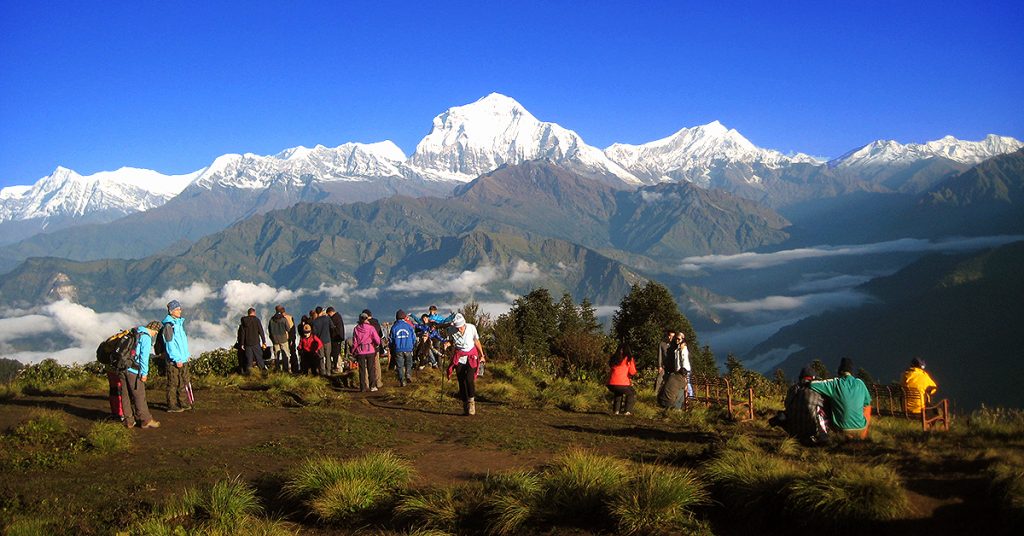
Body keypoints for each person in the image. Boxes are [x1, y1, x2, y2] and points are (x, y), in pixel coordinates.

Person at [809, 358, 872, 439]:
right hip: (861, 429)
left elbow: (812, 385)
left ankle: (826, 434)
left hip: (842, 430)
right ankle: (863, 435)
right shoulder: (860, 383)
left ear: (840, 371)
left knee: (826, 400)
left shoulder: (835, 383)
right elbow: (867, 404)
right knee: (867, 406)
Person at [771, 365, 830, 446]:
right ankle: (823, 437)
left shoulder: (792, 389)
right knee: (822, 411)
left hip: (793, 431)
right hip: (812, 430)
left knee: (783, 414)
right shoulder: (817, 391)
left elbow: (787, 406)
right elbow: (825, 406)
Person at [121, 321, 162, 429]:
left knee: (125, 395)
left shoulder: (135, 332)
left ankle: (129, 421)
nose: (155, 334)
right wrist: (144, 373)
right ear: (154, 330)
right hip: (134, 370)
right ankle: (145, 420)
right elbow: (144, 358)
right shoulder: (146, 338)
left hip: (123, 367)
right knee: (139, 395)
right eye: (156, 332)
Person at [445, 313, 486, 416]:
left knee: (469, 379)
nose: (459, 329)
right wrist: (447, 344)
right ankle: (465, 404)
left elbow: (476, 341)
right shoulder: (451, 330)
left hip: (471, 355)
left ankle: (471, 403)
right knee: (461, 380)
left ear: (464, 324)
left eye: (461, 327)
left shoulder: (471, 328)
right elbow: (451, 341)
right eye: (457, 327)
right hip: (459, 356)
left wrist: (482, 354)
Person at [162, 300, 192, 413]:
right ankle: (172, 404)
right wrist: (176, 358)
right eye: (178, 309)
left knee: (182, 381)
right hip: (174, 360)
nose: (180, 311)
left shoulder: (178, 324)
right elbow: (170, 344)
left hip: (182, 358)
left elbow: (182, 343)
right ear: (172, 311)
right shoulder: (169, 326)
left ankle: (182, 402)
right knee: (173, 382)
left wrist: (186, 356)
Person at [352, 312, 382, 392]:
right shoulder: (371, 328)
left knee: (362, 370)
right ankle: (372, 386)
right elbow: (377, 339)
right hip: (370, 350)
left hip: (360, 351)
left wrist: (353, 351)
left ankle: (363, 387)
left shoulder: (356, 328)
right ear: (366, 318)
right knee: (371, 369)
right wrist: (377, 344)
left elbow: (355, 342)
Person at [607, 343, 638, 415]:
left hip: (611, 383)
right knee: (631, 393)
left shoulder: (614, 358)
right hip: (622, 383)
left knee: (618, 393)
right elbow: (632, 372)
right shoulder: (628, 359)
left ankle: (616, 411)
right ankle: (627, 411)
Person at [237, 308, 268, 375]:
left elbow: (242, 333)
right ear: (254, 313)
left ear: (248, 313)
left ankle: (249, 375)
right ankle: (264, 374)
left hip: (247, 344)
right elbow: (261, 331)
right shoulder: (256, 320)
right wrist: (264, 341)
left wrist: (242, 343)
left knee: (249, 360)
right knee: (259, 358)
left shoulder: (243, 322)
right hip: (256, 342)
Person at [389, 310, 417, 386]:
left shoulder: (394, 327)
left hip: (398, 349)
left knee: (400, 366)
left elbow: (391, 339)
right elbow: (414, 338)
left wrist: (392, 348)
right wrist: (412, 346)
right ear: (404, 317)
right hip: (408, 348)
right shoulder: (409, 326)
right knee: (409, 363)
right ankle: (408, 374)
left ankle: (402, 381)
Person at [268, 305, 293, 372]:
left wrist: (272, 338)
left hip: (275, 339)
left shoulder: (271, 320)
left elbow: (269, 330)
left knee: (277, 356)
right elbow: (288, 329)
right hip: (283, 339)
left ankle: (278, 369)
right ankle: (286, 369)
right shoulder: (283, 319)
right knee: (286, 354)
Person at [364, 309, 385, 388]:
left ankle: (366, 383)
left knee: (366, 365)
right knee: (376, 364)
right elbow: (380, 335)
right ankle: (378, 381)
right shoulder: (376, 323)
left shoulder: (364, 324)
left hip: (366, 348)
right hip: (375, 347)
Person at [311, 307, 333, 376]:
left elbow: (314, 333)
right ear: (322, 311)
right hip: (327, 340)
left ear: (316, 313)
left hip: (319, 341)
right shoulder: (327, 318)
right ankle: (328, 371)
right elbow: (332, 327)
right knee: (328, 356)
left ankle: (322, 371)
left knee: (321, 357)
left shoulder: (315, 321)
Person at [327, 307, 345, 373]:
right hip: (338, 338)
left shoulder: (334, 318)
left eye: (329, 314)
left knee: (335, 353)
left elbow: (332, 328)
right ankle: (336, 366)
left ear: (331, 312)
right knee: (336, 353)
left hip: (336, 338)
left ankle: (336, 367)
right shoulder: (338, 317)